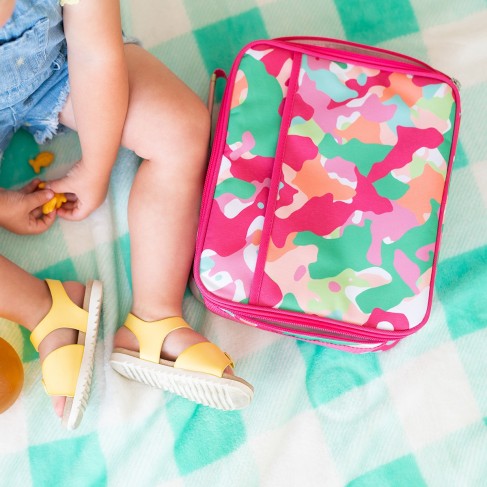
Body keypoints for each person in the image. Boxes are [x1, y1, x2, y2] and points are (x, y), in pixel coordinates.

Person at [0, 0, 253, 429]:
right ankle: (44, 308)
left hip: (57, 66)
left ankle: (154, 319)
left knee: (180, 128)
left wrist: (95, 169)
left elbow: (95, 53)